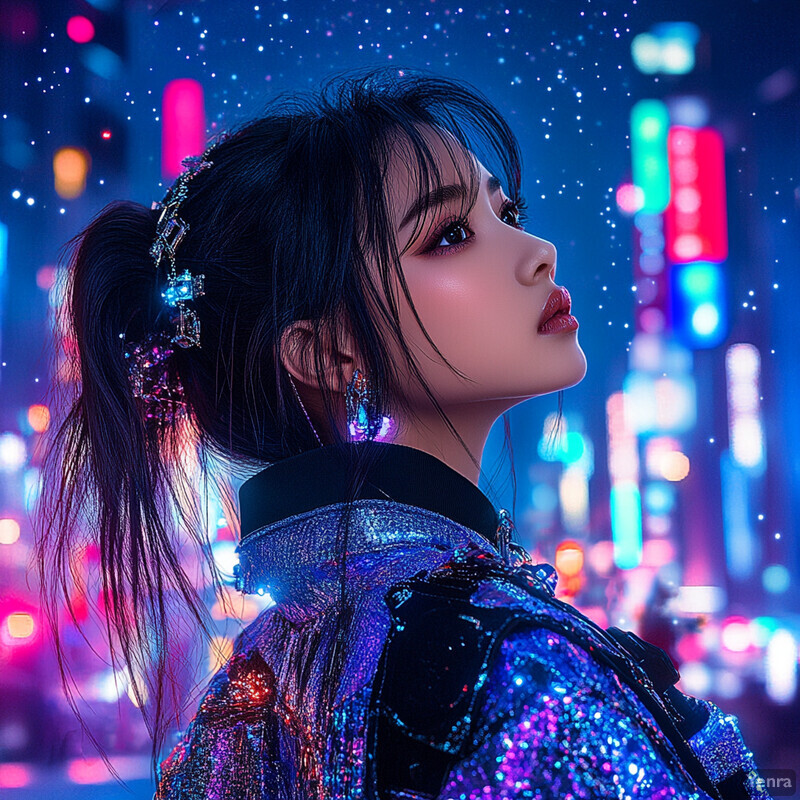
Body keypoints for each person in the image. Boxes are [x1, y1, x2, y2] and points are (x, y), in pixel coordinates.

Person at [34, 67, 771, 799]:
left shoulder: (251, 686)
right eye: (449, 234)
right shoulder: (512, 671)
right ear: (327, 352)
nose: (536, 250)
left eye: (505, 214)